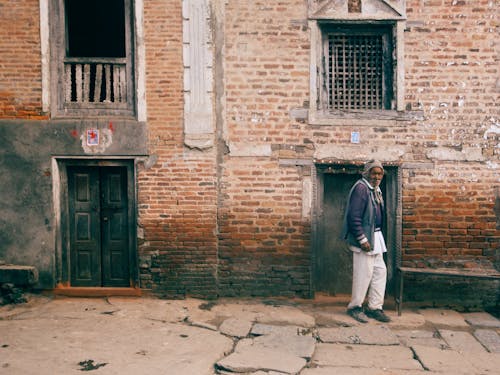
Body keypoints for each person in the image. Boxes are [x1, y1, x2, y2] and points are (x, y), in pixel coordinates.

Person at [341, 160, 391, 323]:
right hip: (365, 238)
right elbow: (353, 216)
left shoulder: (376, 190)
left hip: (376, 237)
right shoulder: (361, 188)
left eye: (379, 174)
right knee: (363, 275)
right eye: (374, 173)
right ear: (367, 173)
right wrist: (362, 239)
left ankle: (375, 307)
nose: (377, 177)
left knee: (379, 272)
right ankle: (355, 307)